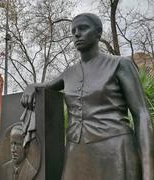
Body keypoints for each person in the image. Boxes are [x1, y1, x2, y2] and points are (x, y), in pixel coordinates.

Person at [21, 13, 154, 180]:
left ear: (98, 33)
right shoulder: (69, 73)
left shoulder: (119, 64)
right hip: (76, 151)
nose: (76, 33)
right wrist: (31, 86)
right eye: (73, 30)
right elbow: (47, 86)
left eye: (83, 28)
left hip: (115, 150)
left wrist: (149, 170)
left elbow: (142, 114)